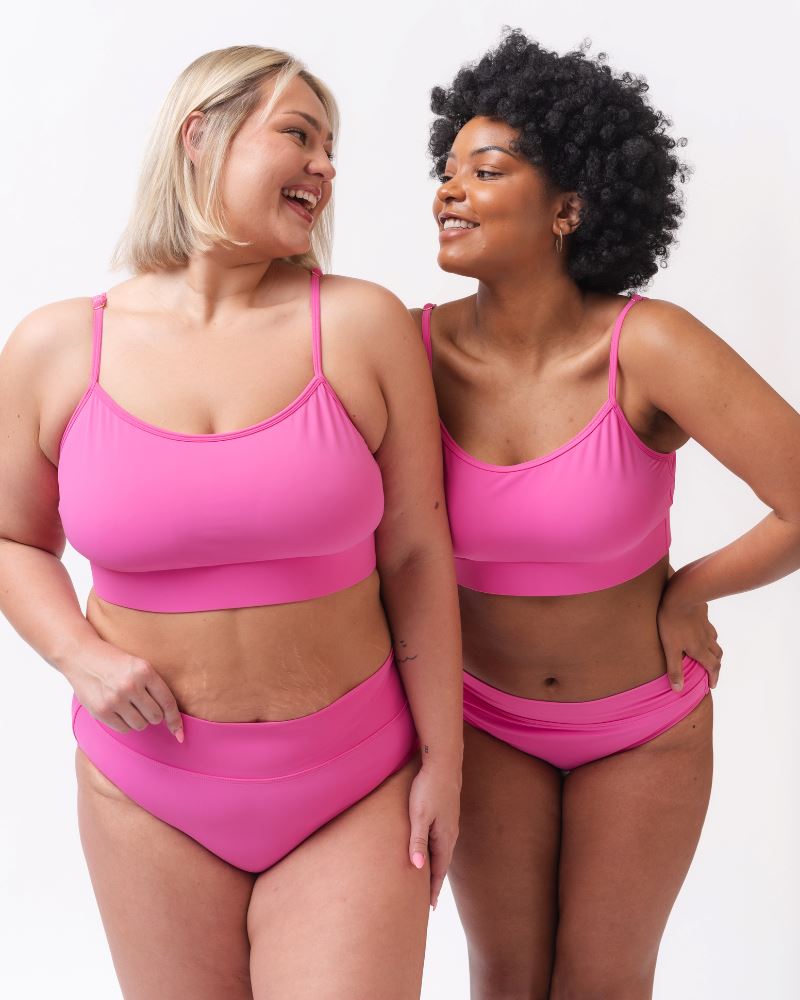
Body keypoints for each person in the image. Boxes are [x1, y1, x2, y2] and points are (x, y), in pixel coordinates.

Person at [0, 45, 462, 1000]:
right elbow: (11, 539)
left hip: (356, 782)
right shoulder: (55, 346)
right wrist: (78, 657)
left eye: (334, 150)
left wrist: (445, 760)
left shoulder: (365, 326)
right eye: (299, 133)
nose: (327, 167)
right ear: (198, 136)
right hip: (146, 792)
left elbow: (417, 556)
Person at [411, 29, 800, 1000]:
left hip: (640, 725)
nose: (447, 190)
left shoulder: (649, 344)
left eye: (485, 169)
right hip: (483, 717)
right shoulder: (403, 348)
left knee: (602, 982)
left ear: (567, 208)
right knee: (503, 980)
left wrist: (689, 590)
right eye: (446, 169)